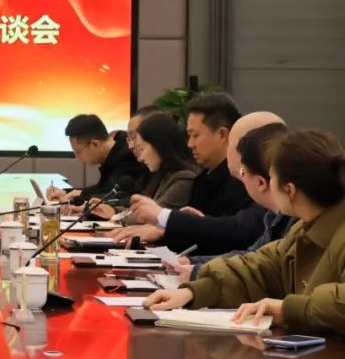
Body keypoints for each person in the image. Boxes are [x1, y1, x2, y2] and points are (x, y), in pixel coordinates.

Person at [145, 129, 345, 336]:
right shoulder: (303, 228)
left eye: (272, 176)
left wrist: (288, 310)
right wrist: (194, 292)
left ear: (289, 190)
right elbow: (260, 267)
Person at [110, 112, 283, 253]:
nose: (190, 144)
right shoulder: (206, 178)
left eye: (195, 135)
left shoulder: (275, 207)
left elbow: (240, 232)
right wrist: (191, 262)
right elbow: (233, 245)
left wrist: (163, 217)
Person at [181, 121, 296, 279]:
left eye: (243, 172)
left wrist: (198, 270)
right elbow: (251, 257)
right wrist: (193, 263)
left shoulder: (297, 222)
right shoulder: (275, 216)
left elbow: (263, 269)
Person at [123, 94, 248, 229]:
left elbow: (237, 232)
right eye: (189, 136)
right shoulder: (202, 179)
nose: (190, 144)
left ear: (222, 134)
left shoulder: (242, 181)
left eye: (195, 135)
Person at [101, 112, 198, 224]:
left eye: (142, 149)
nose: (141, 158)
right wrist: (114, 210)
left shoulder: (183, 179)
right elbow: (139, 211)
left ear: (159, 145)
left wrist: (115, 216)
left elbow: (150, 215)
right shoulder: (160, 176)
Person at [47, 113, 143, 205]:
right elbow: (102, 188)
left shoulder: (127, 155)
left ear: (94, 144)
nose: (77, 158)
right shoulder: (114, 148)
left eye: (78, 152)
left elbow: (117, 195)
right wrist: (66, 192)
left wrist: (81, 196)